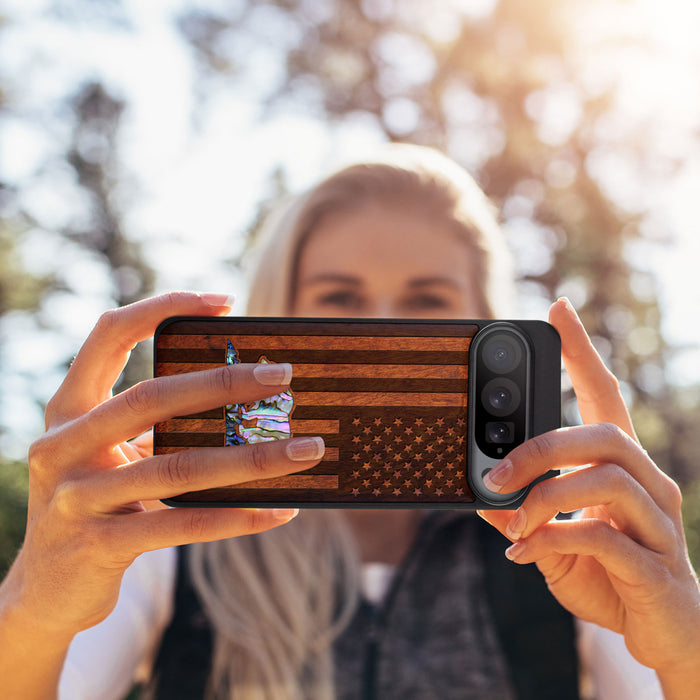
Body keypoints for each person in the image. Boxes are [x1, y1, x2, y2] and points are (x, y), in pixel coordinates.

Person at [0, 145, 698, 700]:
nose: (386, 331)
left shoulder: (567, 542)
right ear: (280, 316)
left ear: (487, 322)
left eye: (427, 301)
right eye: (340, 299)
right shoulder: (171, 534)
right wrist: (34, 607)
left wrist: (685, 648)